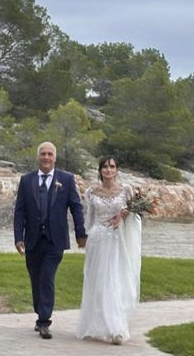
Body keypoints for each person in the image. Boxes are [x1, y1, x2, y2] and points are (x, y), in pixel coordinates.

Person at [14, 142, 87, 339]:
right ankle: (40, 311)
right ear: (38, 157)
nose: (46, 157)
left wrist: (80, 233)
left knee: (47, 277)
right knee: (35, 279)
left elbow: (76, 207)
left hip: (55, 240)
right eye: (43, 154)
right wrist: (18, 237)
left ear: (55, 158)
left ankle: (44, 321)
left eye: (50, 154)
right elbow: (19, 211)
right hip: (32, 240)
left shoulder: (66, 179)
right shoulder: (26, 180)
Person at [76, 156, 142, 345]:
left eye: (112, 166)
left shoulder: (126, 191)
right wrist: (85, 239)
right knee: (98, 282)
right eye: (105, 167)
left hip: (116, 240)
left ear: (117, 170)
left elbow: (135, 217)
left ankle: (117, 328)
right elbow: (89, 218)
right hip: (97, 239)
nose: (108, 170)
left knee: (115, 280)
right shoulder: (91, 192)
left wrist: (124, 214)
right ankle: (96, 325)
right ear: (100, 171)